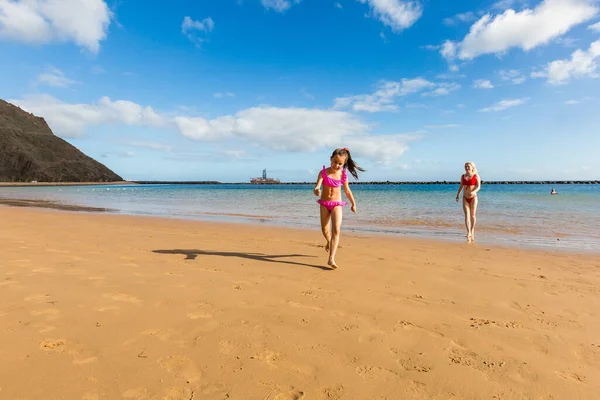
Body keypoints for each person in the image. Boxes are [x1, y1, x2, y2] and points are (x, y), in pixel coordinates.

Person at [313, 148, 364, 269]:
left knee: (336, 229)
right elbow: (317, 185)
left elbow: (347, 190)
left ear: (344, 164)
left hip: (337, 204)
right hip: (324, 204)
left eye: (340, 164)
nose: (337, 165)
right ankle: (328, 241)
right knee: (325, 229)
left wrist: (353, 203)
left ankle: (331, 258)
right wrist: (316, 190)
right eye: (335, 162)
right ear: (330, 159)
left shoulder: (343, 175)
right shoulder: (323, 172)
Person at [455, 161, 481, 242]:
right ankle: (468, 231)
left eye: (468, 166)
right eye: (465, 166)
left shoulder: (476, 176)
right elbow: (461, 186)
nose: (467, 168)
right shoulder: (463, 176)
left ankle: (472, 229)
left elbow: (478, 186)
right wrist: (457, 195)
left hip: (473, 197)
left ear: (472, 167)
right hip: (465, 197)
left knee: (472, 215)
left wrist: (474, 191)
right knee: (467, 215)